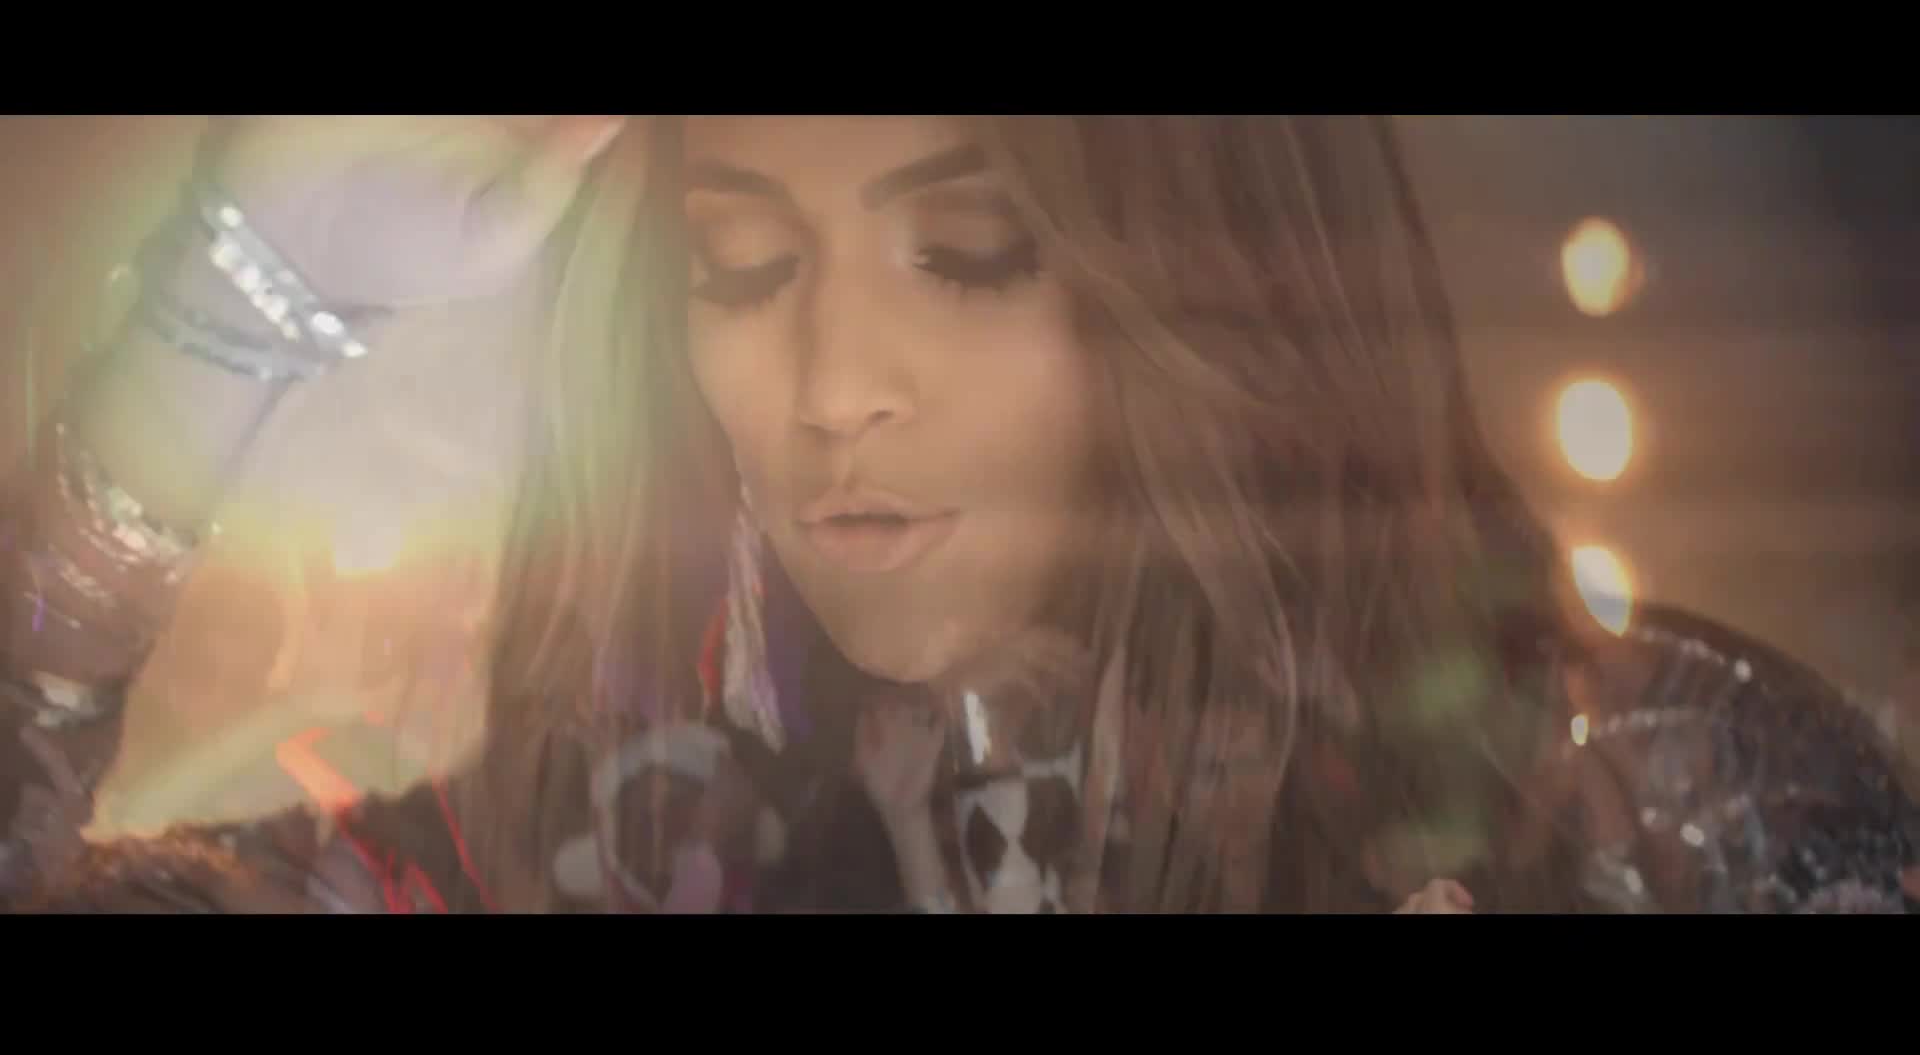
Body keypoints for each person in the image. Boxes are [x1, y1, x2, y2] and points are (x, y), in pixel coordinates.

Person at [2, 115, 1915, 914]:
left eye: (974, 250)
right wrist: (219, 321)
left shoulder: (1674, 805)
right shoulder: (587, 852)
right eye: (742, 266)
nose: (834, 383)